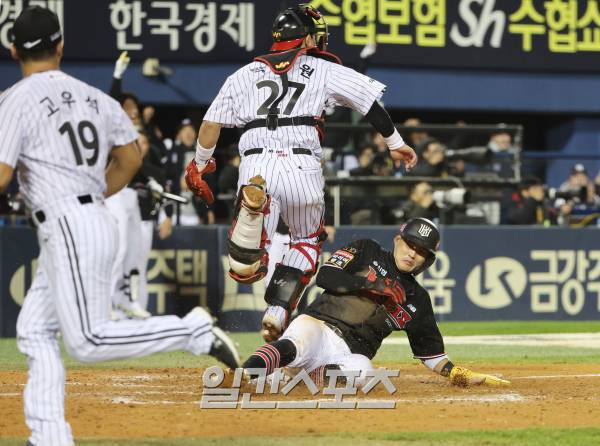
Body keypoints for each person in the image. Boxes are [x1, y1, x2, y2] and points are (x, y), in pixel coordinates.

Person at [0, 7, 239, 446]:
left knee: (88, 340)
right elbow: (130, 160)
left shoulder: (14, 98)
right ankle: (49, 436)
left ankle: (192, 331)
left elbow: (1, 175)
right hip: (93, 215)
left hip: (68, 221)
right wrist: (88, 196)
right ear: (60, 47)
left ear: (13, 50)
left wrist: (73, 203)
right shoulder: (95, 97)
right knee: (34, 329)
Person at [184, 4, 417, 342]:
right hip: (302, 164)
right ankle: (278, 310)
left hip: (256, 163)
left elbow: (210, 125)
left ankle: (251, 220)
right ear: (306, 38)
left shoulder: (243, 74)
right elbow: (369, 103)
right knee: (307, 239)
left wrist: (201, 163)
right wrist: (395, 142)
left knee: (244, 268)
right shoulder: (320, 68)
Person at [240, 218, 510, 388]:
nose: (412, 254)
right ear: (397, 240)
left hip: (349, 355)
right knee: (296, 342)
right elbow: (326, 275)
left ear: (428, 261)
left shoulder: (417, 299)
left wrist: (458, 374)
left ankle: (302, 379)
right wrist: (372, 285)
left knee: (364, 372)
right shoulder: (366, 250)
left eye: (421, 252)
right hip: (319, 326)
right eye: (410, 245)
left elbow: (432, 355)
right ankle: (242, 376)